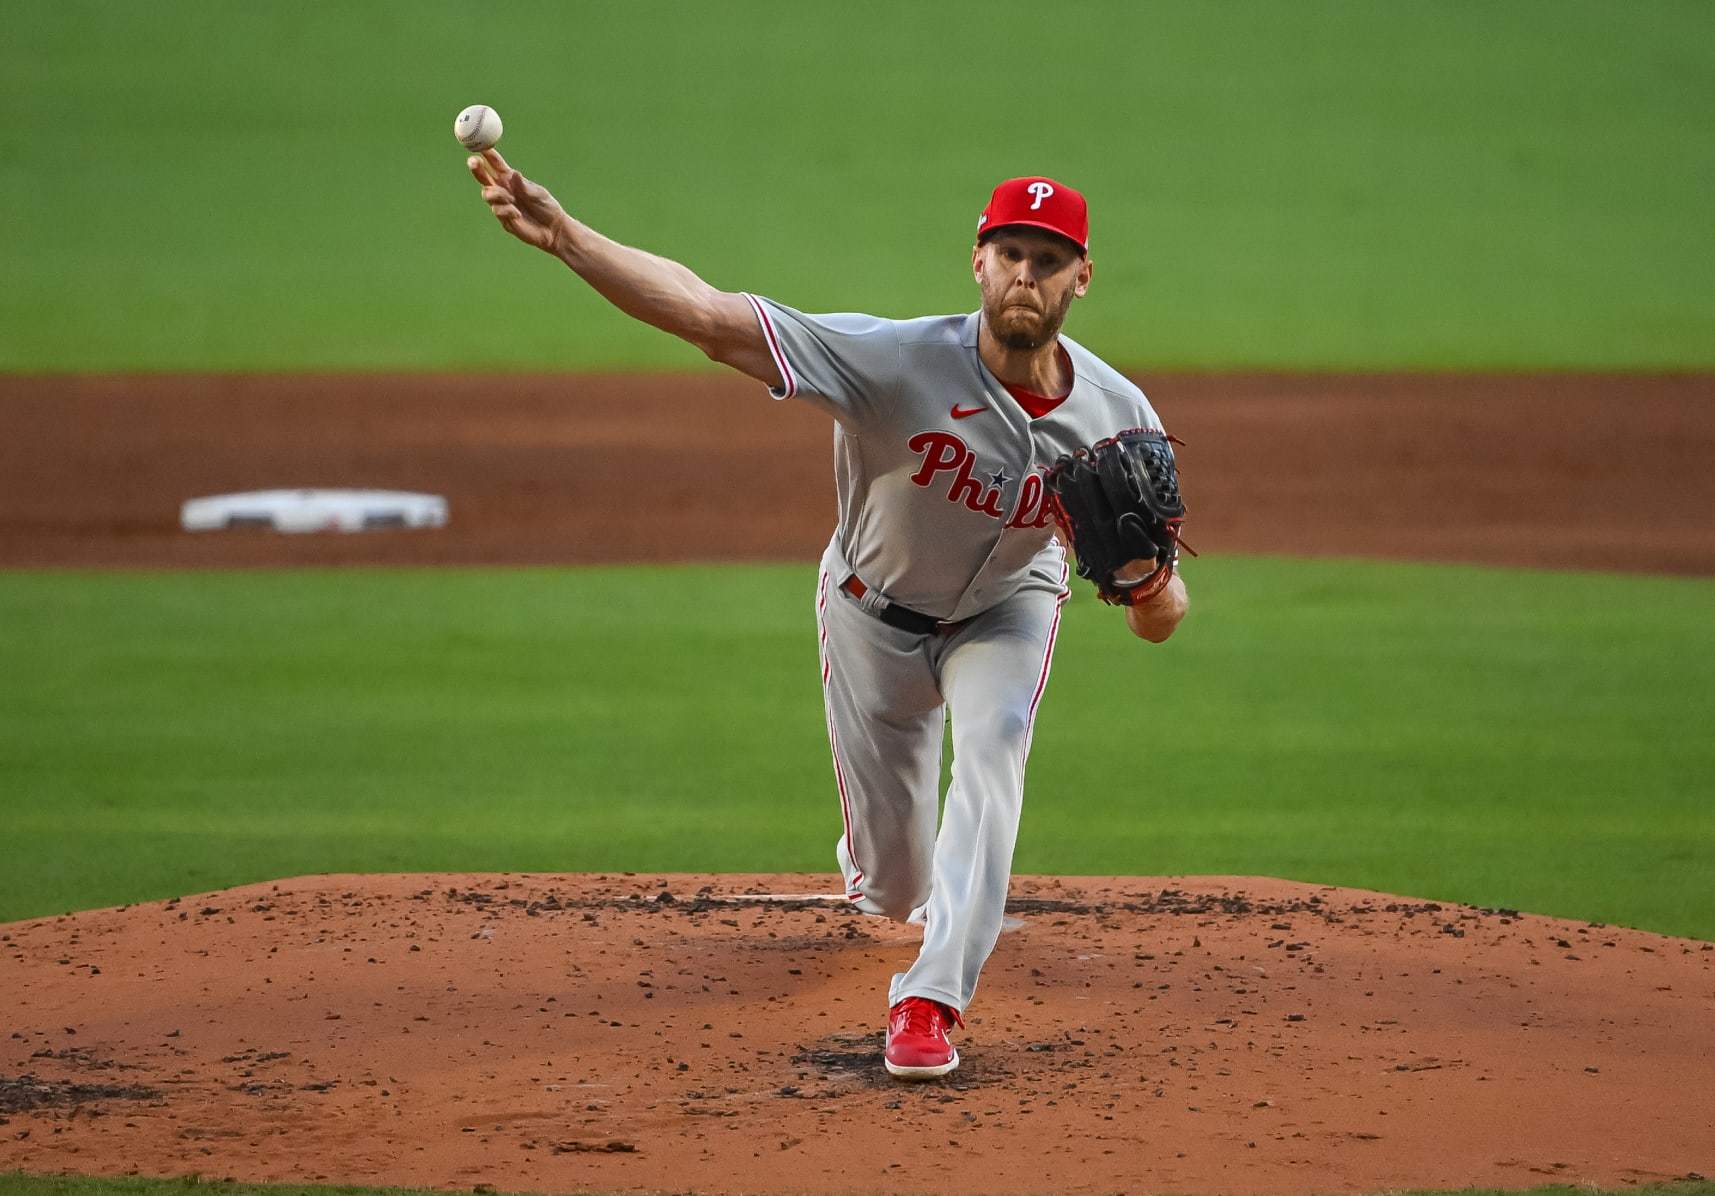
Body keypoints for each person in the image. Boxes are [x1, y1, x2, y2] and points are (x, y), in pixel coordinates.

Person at [467, 151, 1190, 1078]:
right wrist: (565, 237)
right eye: (1009, 252)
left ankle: (930, 1001)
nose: (1025, 274)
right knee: (895, 887)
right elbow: (707, 316)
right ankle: (888, 875)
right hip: (870, 615)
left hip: (1009, 608)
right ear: (977, 260)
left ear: (1081, 278)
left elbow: (1157, 614)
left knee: (998, 744)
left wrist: (1151, 592)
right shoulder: (892, 361)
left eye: (1048, 260)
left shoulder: (1119, 415)